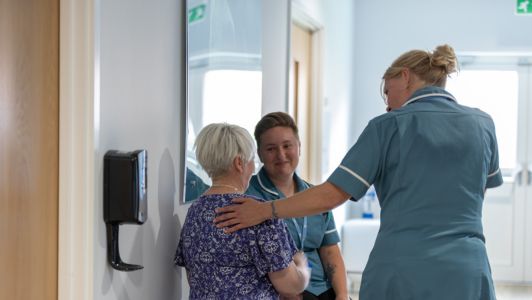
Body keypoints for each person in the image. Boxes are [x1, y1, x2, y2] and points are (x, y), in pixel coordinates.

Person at [213, 44, 503, 300]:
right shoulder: (483, 124)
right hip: (468, 269)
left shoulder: (387, 127)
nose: (387, 103)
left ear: (404, 76)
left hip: (403, 270)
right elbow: (476, 189)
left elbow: (331, 195)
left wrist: (265, 211)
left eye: (387, 91)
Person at [174, 123, 310, 299]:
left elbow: (194, 278)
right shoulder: (259, 212)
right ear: (239, 163)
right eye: (252, 160)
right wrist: (303, 270)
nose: (253, 167)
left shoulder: (194, 211)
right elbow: (289, 285)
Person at [246, 112, 348, 300]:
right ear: (259, 153)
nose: (281, 155)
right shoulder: (249, 197)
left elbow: (330, 251)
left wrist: (342, 295)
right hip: (278, 292)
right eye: (271, 149)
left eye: (287, 146)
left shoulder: (316, 196)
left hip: (321, 289)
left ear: (299, 147)